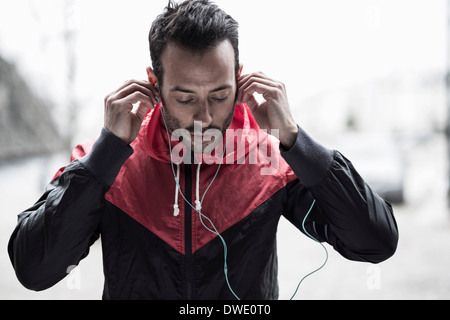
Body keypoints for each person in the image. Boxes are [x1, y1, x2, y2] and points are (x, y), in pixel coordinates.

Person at [8, 0, 398, 300]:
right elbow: (35, 270)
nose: (205, 117)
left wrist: (296, 140)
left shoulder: (271, 159)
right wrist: (106, 155)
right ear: (154, 83)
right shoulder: (106, 161)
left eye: (220, 94)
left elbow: (375, 242)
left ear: (240, 79)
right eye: (184, 97)